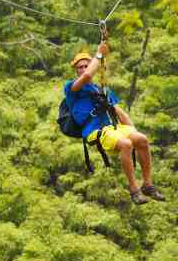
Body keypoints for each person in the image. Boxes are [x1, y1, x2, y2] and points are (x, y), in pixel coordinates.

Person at [64, 42, 164, 205]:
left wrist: (134, 132)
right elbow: (87, 76)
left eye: (85, 66)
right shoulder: (71, 88)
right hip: (95, 131)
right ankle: (134, 189)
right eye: (79, 67)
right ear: (76, 70)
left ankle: (147, 184)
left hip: (112, 128)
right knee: (125, 144)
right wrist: (99, 55)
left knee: (142, 140)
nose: (83, 69)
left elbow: (119, 112)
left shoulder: (102, 90)